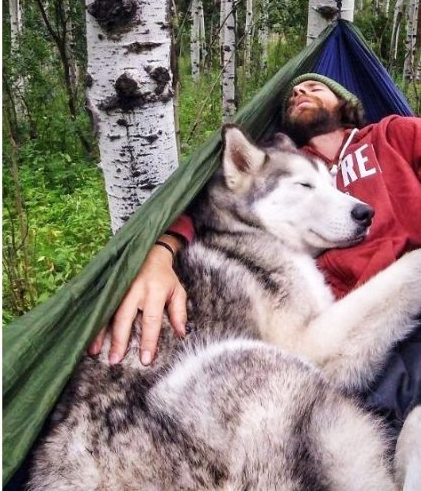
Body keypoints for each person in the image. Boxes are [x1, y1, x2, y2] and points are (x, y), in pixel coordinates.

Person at [92, 72, 421, 437]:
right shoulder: (285, 165)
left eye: (316, 87)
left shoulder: (391, 135)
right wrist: (161, 249)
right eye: (294, 91)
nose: (300, 90)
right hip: (352, 344)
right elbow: (214, 206)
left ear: (345, 105)